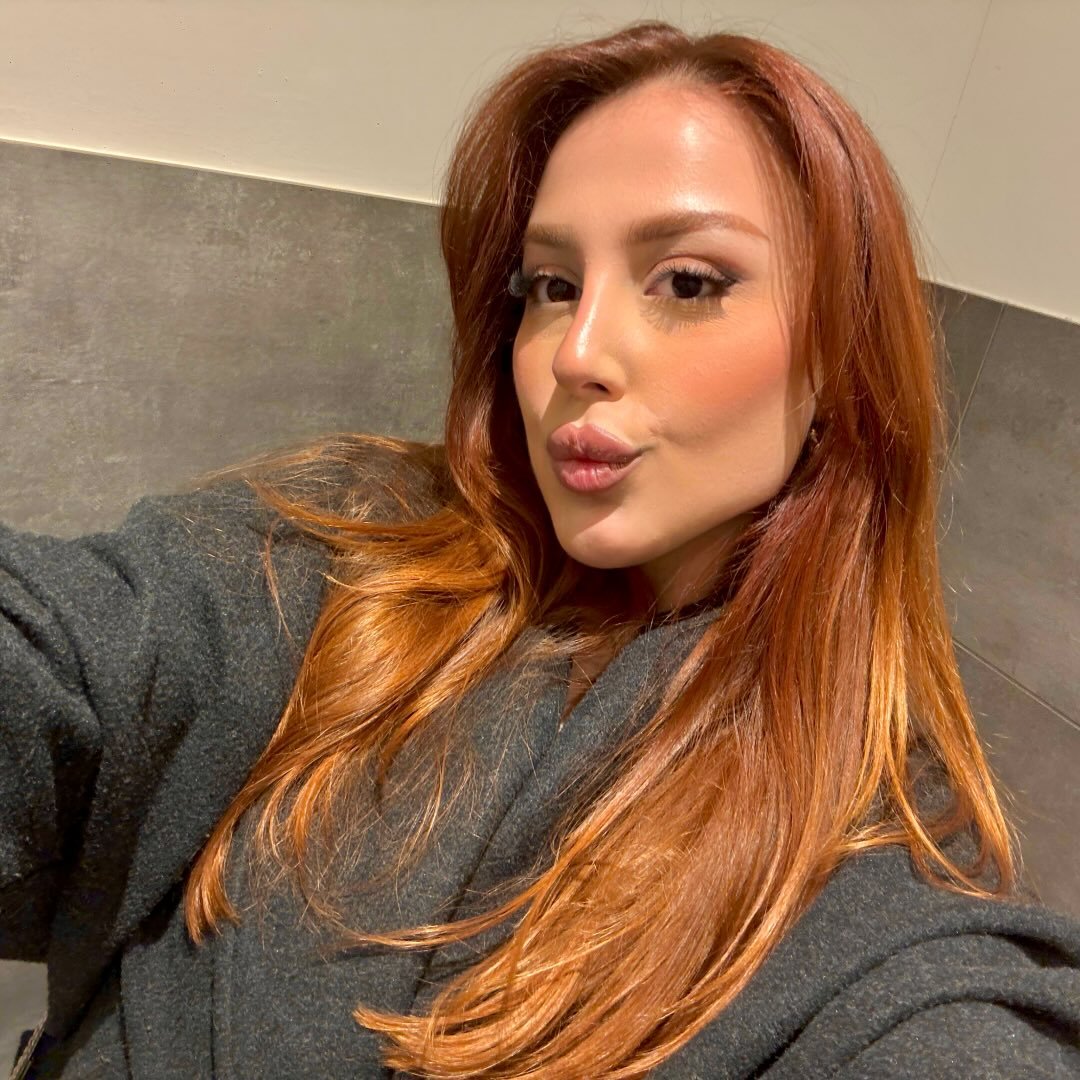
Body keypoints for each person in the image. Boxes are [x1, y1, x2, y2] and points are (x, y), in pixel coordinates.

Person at [2, 18, 1078, 1080]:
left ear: (843, 349)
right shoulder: (342, 547)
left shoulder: (887, 886)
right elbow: (60, 655)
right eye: (552, 286)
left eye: (689, 282)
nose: (576, 352)